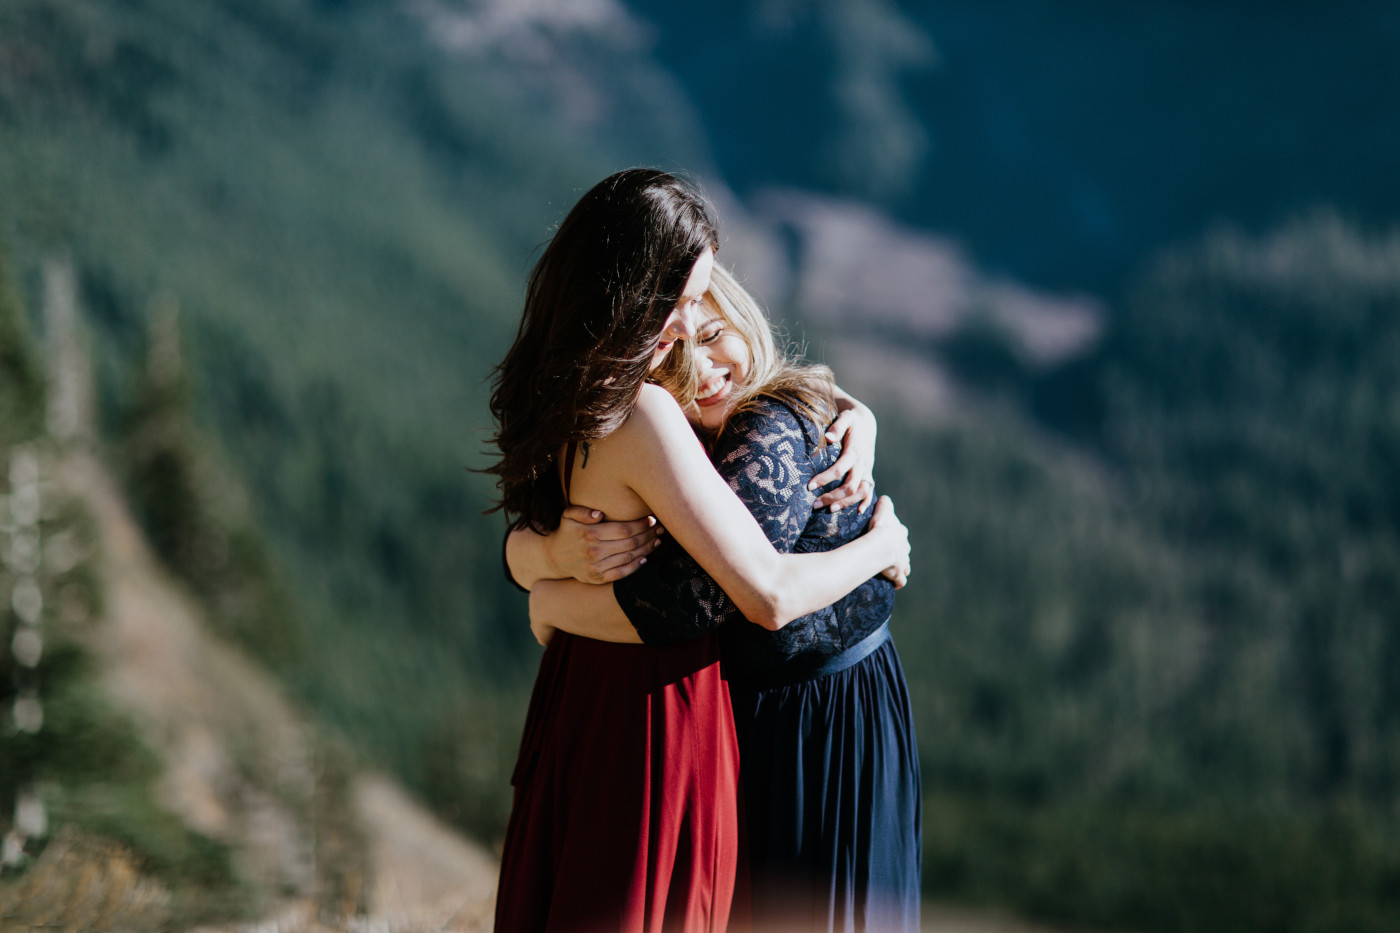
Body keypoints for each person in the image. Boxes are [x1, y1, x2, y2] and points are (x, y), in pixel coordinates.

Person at [489, 169, 911, 932]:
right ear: (631, 294)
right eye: (678, 304)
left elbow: (538, 533)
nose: (688, 326)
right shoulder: (643, 409)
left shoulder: (557, 394)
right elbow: (765, 592)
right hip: (652, 710)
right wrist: (883, 543)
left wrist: (540, 572)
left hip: (575, 689)